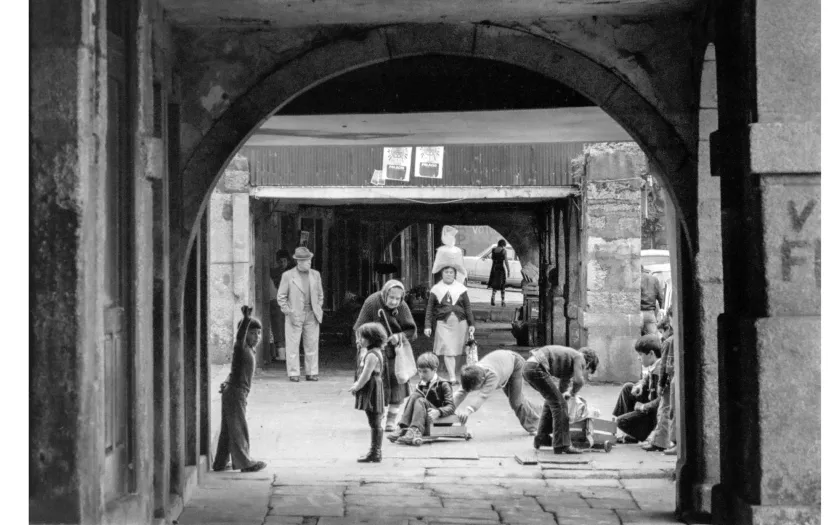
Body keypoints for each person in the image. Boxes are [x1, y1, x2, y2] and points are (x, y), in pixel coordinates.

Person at [353, 280, 418, 431]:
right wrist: (363, 349)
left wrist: (399, 336)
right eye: (391, 298)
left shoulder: (402, 306)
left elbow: (412, 331)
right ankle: (378, 417)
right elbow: (359, 327)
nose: (394, 301)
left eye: (398, 299)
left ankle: (391, 420)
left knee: (397, 387)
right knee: (376, 387)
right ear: (385, 293)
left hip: (394, 354)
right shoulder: (372, 302)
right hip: (375, 353)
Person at [212, 306, 267, 473]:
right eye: (252, 333)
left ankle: (220, 463)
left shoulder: (249, 350)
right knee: (238, 428)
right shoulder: (241, 347)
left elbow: (234, 369)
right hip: (236, 393)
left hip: (235, 391)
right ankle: (245, 462)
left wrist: (227, 381)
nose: (256, 337)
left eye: (258, 333)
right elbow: (239, 338)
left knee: (228, 429)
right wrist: (246, 319)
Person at [524, 346, 600, 455]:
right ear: (588, 363)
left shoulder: (569, 362)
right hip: (536, 368)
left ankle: (542, 438)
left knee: (553, 401)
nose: (583, 373)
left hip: (529, 367)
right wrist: (572, 392)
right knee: (560, 404)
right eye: (586, 371)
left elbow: (562, 390)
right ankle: (563, 445)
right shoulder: (580, 358)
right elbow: (579, 381)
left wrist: (567, 395)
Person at [452, 349, 541, 433]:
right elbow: (460, 393)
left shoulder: (492, 376)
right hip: (503, 365)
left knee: (515, 401)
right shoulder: (472, 373)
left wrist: (468, 411)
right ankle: (540, 411)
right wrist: (446, 408)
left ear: (482, 380)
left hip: (516, 365)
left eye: (474, 388)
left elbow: (483, 396)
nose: (471, 391)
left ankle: (534, 427)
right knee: (517, 397)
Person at [277, 246, 324, 382]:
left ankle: (312, 372)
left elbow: (320, 294)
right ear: (299, 262)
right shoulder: (288, 276)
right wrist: (288, 311)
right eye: (307, 260)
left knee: (312, 343)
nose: (309, 262)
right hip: (294, 314)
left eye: (310, 260)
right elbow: (281, 296)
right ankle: (293, 373)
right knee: (293, 344)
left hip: (311, 313)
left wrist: (318, 307)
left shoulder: (316, 274)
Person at [389, 352, 456, 446]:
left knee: (420, 400)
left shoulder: (444, 384)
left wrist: (439, 412)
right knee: (414, 395)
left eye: (425, 371)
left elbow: (451, 407)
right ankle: (402, 427)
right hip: (425, 417)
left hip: (440, 419)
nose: (421, 375)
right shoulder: (422, 383)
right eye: (419, 371)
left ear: (434, 370)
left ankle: (415, 430)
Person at [424, 266, 475, 383]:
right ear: (442, 274)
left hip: (460, 324)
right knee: (448, 349)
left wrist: (471, 323)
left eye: (451, 272)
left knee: (457, 351)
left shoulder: (461, 288)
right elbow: (429, 309)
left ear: (454, 274)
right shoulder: (436, 289)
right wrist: (427, 326)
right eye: (446, 272)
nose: (449, 274)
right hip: (443, 324)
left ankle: (456, 373)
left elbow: (467, 307)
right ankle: (452, 377)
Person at [349, 322, 388, 463]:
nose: (359, 341)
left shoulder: (372, 355)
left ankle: (375, 452)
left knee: (375, 420)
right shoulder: (372, 352)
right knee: (374, 419)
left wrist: (357, 386)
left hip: (372, 387)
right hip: (372, 386)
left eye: (362, 338)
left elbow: (366, 374)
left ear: (372, 338)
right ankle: (375, 451)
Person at [612, 334, 662, 443]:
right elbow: (646, 378)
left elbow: (663, 400)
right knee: (628, 387)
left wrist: (644, 407)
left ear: (651, 354)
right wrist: (640, 385)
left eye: (640, 355)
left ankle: (633, 434)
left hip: (653, 414)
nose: (638, 358)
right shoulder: (654, 367)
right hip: (650, 404)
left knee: (621, 421)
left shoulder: (659, 372)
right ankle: (628, 433)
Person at [268, 248, 292, 363]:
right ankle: (282, 354)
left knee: (281, 328)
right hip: (279, 302)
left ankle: (284, 354)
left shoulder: (290, 273)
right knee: (279, 328)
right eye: (280, 261)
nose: (282, 263)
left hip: (285, 302)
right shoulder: (274, 273)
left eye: (284, 261)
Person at [640, 268, 665, 335]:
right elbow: (661, 297)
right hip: (650, 313)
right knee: (653, 338)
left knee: (635, 340)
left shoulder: (633, 279)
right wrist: (662, 309)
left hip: (637, 314)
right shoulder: (654, 279)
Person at [487, 239, 511, 307]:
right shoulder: (504, 251)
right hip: (500, 269)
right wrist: (508, 270)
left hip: (494, 268)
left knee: (495, 283)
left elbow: (492, 258)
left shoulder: (493, 250)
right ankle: (503, 302)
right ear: (503, 245)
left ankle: (493, 298)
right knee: (502, 284)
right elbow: (506, 261)